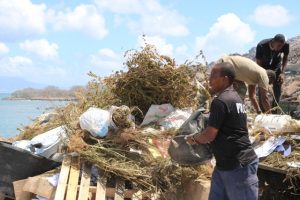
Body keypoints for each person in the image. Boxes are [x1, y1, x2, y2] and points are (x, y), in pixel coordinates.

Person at [185, 62, 258, 200]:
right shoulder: (236, 98)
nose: (209, 79)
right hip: (224, 165)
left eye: (213, 76)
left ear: (225, 79)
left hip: (238, 166)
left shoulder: (220, 101)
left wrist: (193, 138)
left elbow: (209, 135)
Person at [256, 34, 289, 111]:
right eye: (279, 46)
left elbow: (285, 58)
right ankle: (264, 112)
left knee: (277, 92)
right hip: (264, 69)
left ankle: (274, 111)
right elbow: (258, 62)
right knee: (262, 92)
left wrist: (282, 73)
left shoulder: (285, 45)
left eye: (282, 46)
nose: (280, 48)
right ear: (273, 41)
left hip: (276, 68)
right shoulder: (261, 45)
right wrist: (263, 75)